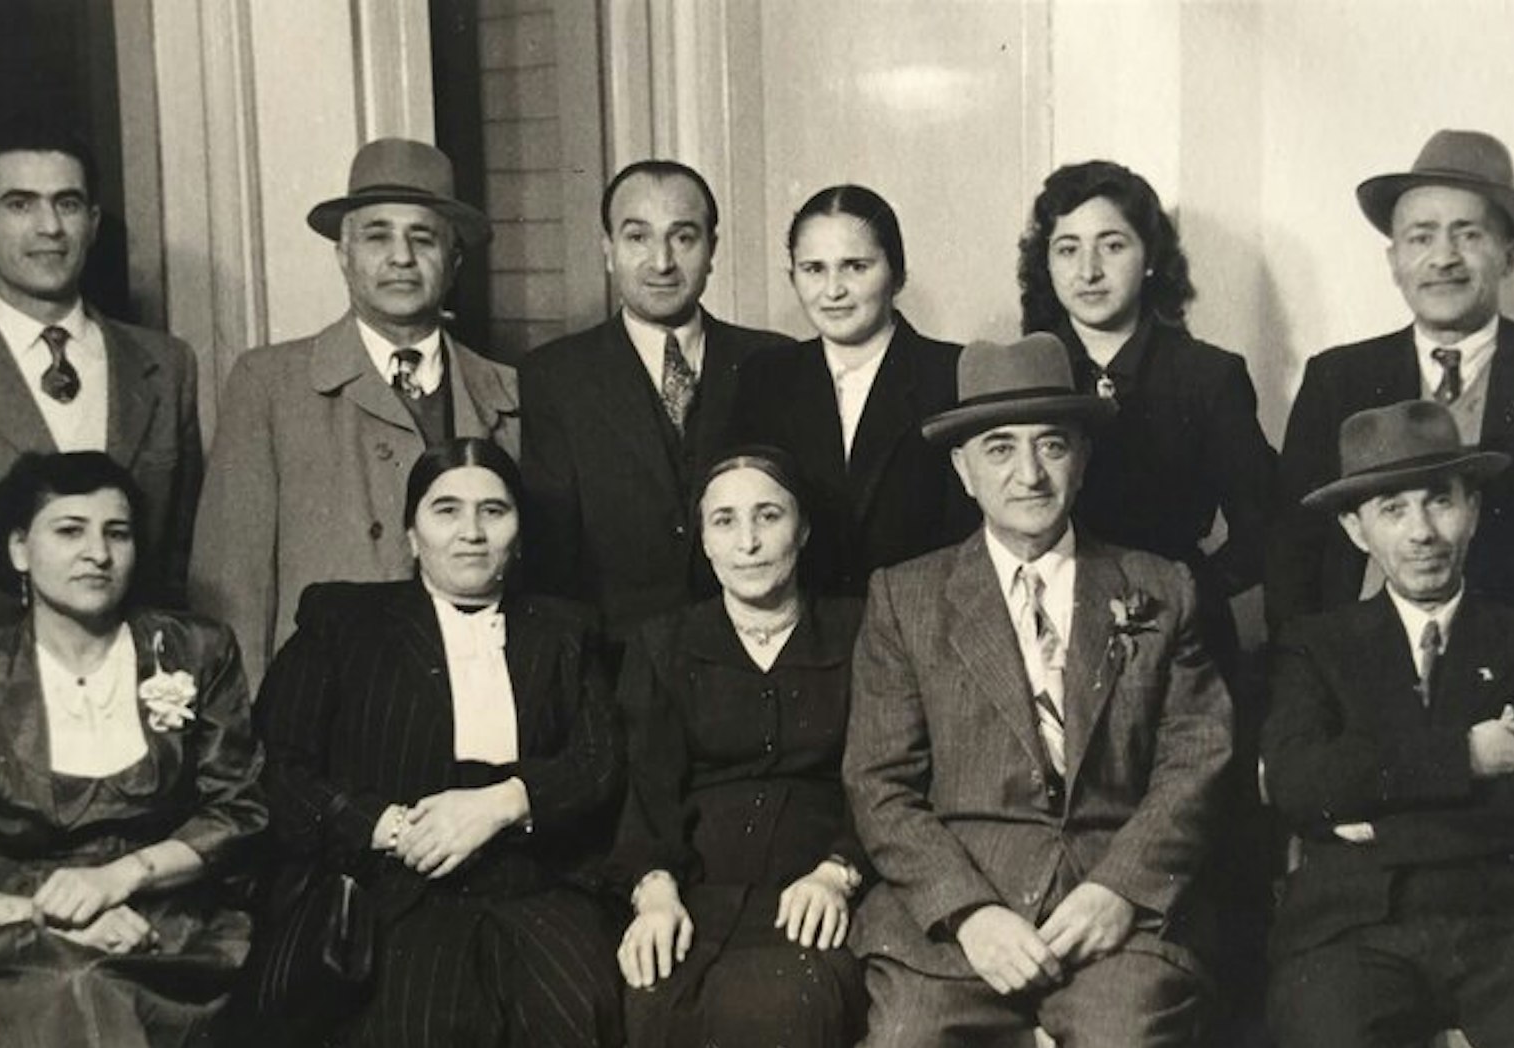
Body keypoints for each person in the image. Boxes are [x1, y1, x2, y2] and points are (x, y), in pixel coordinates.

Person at [844, 333, 1232, 1048]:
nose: (1028, 474)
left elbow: (1197, 763)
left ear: (1083, 457)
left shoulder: (1161, 587)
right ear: (962, 469)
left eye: (1051, 445)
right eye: (999, 449)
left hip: (1115, 916)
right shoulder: (905, 597)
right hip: (956, 925)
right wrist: (970, 914)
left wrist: (1119, 889)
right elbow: (879, 785)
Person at [257, 437, 624, 1048]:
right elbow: (278, 769)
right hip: (397, 887)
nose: (472, 534)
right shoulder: (344, 620)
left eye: (494, 511)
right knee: (416, 1032)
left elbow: (599, 764)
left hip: (536, 887)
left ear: (519, 532)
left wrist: (504, 802)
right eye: (447, 510)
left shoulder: (565, 630)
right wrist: (388, 827)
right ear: (411, 532)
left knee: (576, 1018)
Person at [1262, 399, 1514, 1048]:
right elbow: (1298, 783)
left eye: (1439, 502)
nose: (1422, 532)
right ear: (1355, 528)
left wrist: (1376, 815)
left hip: (1511, 924)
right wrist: (1463, 756)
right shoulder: (1318, 646)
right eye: (1392, 510)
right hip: (1353, 934)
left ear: (1472, 505)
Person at [0, 450, 265, 1048]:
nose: (97, 553)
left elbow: (239, 813)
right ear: (21, 549)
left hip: (166, 931)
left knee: (92, 993)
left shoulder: (195, 650)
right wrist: (44, 916)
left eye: (117, 532)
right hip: (11, 939)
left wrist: (118, 879)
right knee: (67, 992)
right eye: (69, 529)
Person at [190, 138, 520, 688]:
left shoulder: (506, 392)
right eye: (377, 237)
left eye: (423, 238)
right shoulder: (270, 384)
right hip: (325, 703)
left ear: (454, 259)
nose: (400, 258)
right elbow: (232, 584)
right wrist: (241, 736)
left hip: (473, 699)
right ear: (343, 255)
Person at [611, 445, 867, 1048]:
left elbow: (891, 775)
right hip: (697, 896)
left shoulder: (862, 631)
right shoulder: (663, 644)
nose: (748, 543)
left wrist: (838, 873)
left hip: (814, 895)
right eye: (724, 521)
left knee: (792, 1008)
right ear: (702, 538)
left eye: (768, 516)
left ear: (803, 529)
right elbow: (648, 791)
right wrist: (656, 892)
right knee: (655, 1001)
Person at [1268, 129, 1514, 633]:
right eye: (1421, 236)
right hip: (1366, 672)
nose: (1444, 257)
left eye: (1469, 234)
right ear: (1394, 262)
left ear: (1510, 254)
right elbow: (1294, 556)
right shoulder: (1337, 378)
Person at [519, 160, 790, 655]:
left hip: (753, 663)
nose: (661, 261)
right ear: (608, 250)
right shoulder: (552, 377)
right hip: (614, 667)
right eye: (638, 238)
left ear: (712, 250)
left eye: (683, 238)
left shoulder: (774, 362)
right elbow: (551, 562)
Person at [1018, 160, 1275, 672]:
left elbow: (1265, 526)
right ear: (1045, 263)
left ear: (1151, 257)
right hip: (1047, 636)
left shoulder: (1208, 375)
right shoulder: (1022, 373)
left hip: (1181, 641)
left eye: (1112, 245)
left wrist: (1182, 593)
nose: (1088, 270)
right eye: (1067, 249)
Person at [0, 119, 203, 630]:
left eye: (68, 203)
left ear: (93, 223)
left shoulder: (166, 367)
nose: (49, 227)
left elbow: (182, 559)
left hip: (131, 677)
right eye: (20, 204)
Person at [727, 185, 977, 596]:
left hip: (922, 628)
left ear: (897, 275)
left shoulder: (952, 373)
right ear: (792, 276)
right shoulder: (765, 379)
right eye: (813, 269)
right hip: (803, 632)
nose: (833, 290)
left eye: (855, 267)